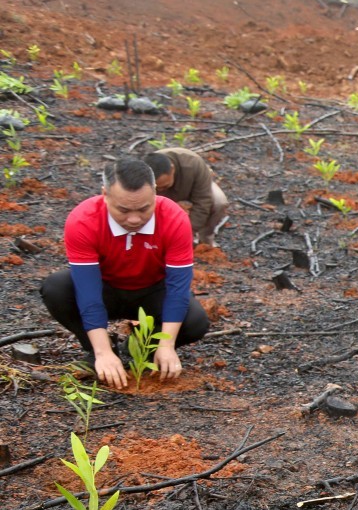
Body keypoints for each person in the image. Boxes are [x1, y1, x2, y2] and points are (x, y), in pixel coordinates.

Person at [40, 158, 210, 388]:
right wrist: (102, 353)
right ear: (105, 194)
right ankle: (100, 350)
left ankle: (142, 348)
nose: (134, 219)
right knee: (56, 288)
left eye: (144, 209)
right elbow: (88, 292)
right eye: (123, 210)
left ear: (156, 194)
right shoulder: (83, 220)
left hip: (153, 291)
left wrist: (167, 345)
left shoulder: (174, 218)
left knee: (196, 321)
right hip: (106, 289)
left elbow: (177, 288)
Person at [143, 148, 228, 246]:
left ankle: (205, 239)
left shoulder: (193, 164)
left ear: (172, 169)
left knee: (219, 202)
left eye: (164, 186)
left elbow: (203, 202)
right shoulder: (143, 172)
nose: (161, 190)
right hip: (160, 202)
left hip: (193, 191)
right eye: (157, 188)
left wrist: (187, 232)